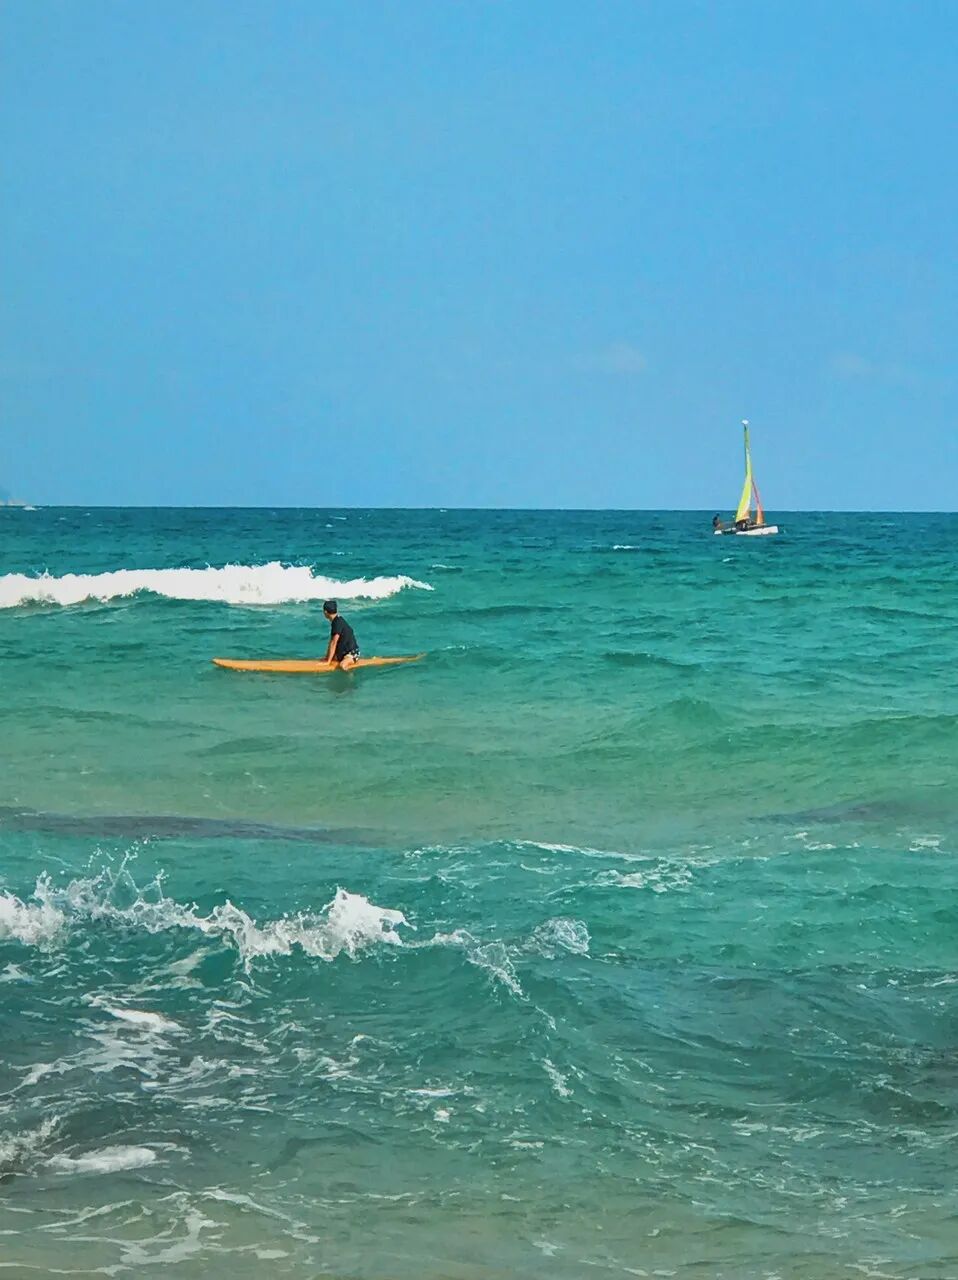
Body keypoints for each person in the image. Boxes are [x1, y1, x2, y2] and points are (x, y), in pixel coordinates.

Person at [323, 600, 360, 669]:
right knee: (336, 659)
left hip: (352, 654)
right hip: (344, 653)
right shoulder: (336, 621)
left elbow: (334, 642)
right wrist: (326, 658)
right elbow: (331, 642)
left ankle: (350, 678)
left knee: (342, 665)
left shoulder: (337, 623)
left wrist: (328, 662)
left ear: (325, 612)